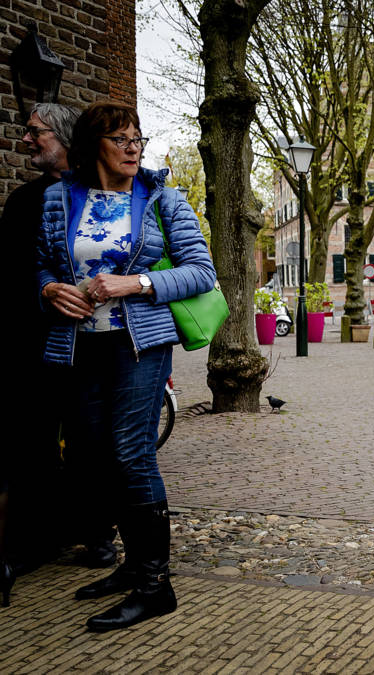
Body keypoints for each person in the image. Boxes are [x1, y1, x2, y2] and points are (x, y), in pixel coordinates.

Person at [35, 101, 216, 631]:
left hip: (139, 345)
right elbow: (42, 265)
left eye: (137, 137)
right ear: (95, 147)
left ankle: (155, 585)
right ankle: (130, 564)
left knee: (130, 452)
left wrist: (133, 283)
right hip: (79, 344)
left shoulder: (163, 198)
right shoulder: (58, 199)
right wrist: (49, 289)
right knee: (92, 456)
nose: (133, 146)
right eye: (121, 138)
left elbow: (200, 272)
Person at [2, 103, 82, 598]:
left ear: (65, 137)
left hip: (92, 342)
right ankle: (36, 541)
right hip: (31, 342)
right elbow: (10, 272)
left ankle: (91, 530)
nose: (26, 140)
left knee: (91, 440)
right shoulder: (23, 200)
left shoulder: (97, 192)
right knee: (32, 440)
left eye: (35, 132)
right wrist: (46, 291)